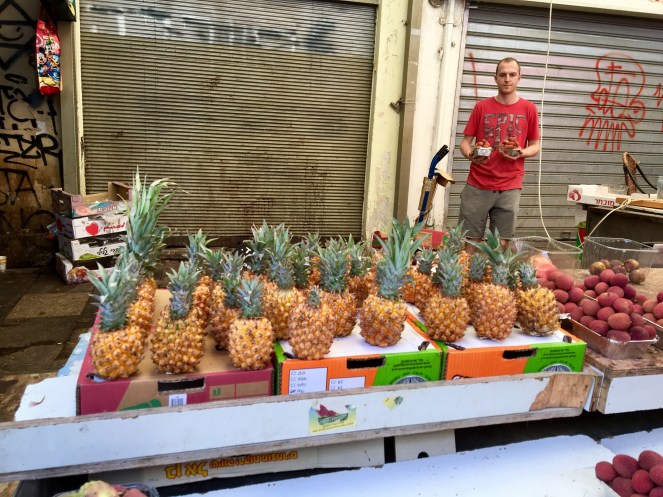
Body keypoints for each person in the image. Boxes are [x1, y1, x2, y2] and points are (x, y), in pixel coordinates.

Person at [458, 57, 540, 252]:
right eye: (502, 75)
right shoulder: (481, 107)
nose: (507, 79)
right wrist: (470, 154)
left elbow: (535, 145)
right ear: (495, 78)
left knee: (502, 244)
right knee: (470, 242)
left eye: (512, 74)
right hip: (478, 184)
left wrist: (520, 153)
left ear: (519, 77)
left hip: (510, 186)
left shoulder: (529, 109)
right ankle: (467, 273)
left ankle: (495, 274)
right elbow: (465, 142)